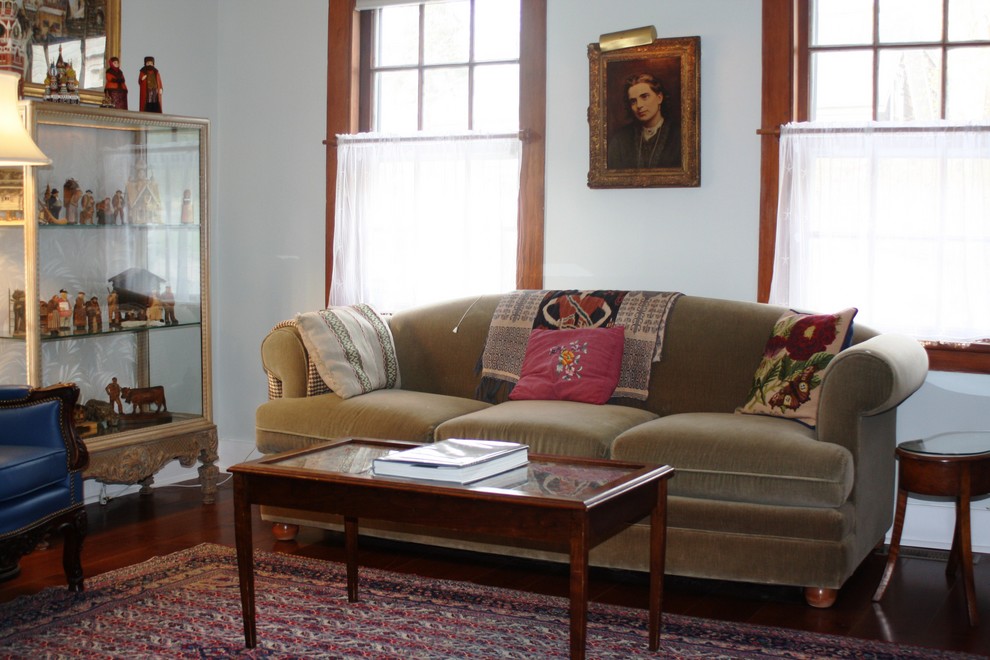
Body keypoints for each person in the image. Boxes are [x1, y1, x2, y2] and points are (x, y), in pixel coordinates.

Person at [607, 73, 681, 170]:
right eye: (633, 101)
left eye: (644, 96)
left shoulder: (679, 136)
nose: (639, 105)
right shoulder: (619, 141)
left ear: (659, 98)